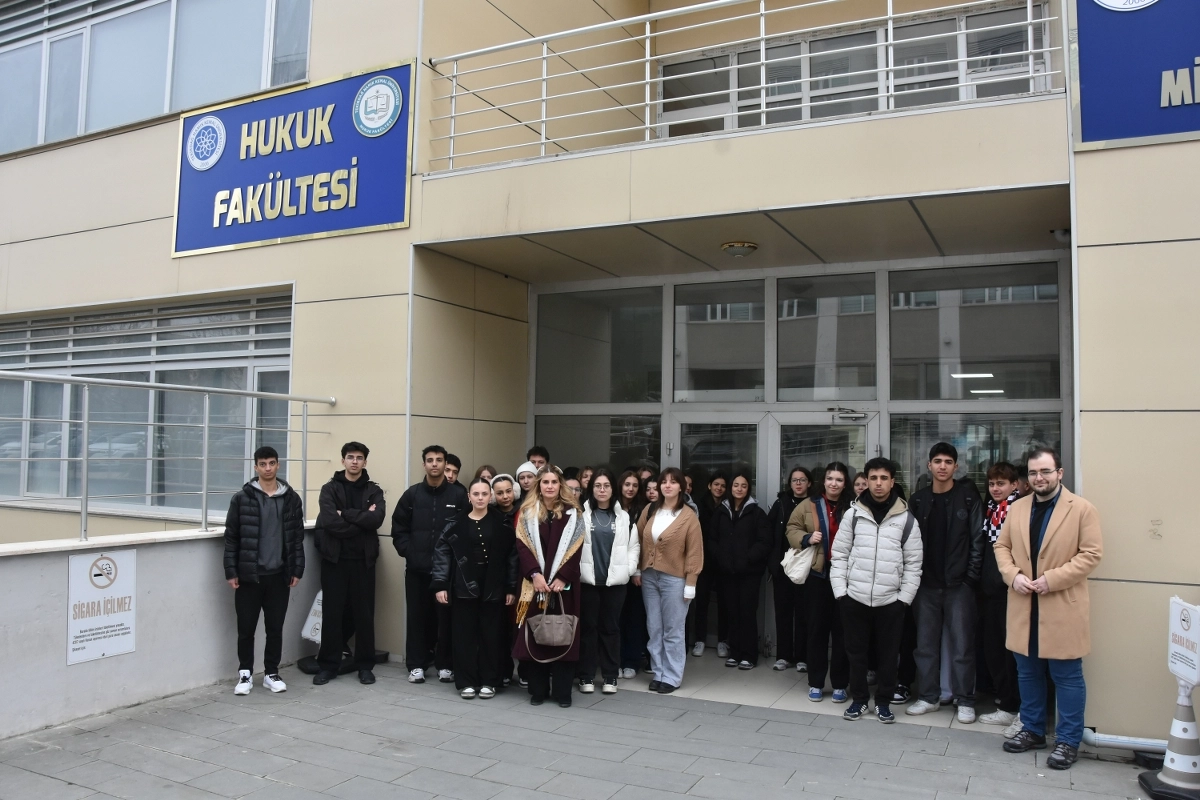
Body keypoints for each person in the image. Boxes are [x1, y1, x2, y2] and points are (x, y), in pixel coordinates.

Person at [996, 447, 1102, 770]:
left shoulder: (1081, 509)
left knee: (1066, 676)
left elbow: (1091, 555)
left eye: (1044, 471)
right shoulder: (1018, 508)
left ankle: (1068, 741)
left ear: (1059, 473)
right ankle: (1033, 730)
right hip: (1024, 604)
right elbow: (1002, 546)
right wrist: (1013, 576)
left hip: (1061, 605)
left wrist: (1052, 580)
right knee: (1027, 672)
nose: (1038, 478)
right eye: (1033, 472)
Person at [831, 457, 922, 724]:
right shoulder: (853, 515)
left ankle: (883, 702)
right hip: (854, 597)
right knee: (856, 654)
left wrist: (903, 599)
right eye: (873, 478)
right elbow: (839, 555)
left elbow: (914, 563)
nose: (878, 483)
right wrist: (841, 592)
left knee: (888, 656)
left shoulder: (906, 519)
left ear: (892, 482)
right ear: (866, 481)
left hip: (891, 601)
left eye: (884, 478)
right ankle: (859, 700)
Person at [905, 443, 984, 722]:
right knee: (925, 645)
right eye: (937, 461)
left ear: (956, 467)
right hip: (925, 585)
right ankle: (928, 697)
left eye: (948, 462)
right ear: (929, 465)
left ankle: (965, 700)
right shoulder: (918, 500)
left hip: (959, 585)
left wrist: (970, 578)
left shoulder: (968, 498)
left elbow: (978, 540)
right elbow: (908, 542)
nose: (942, 466)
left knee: (962, 646)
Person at [223, 446, 305, 696]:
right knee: (246, 629)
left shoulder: (291, 498)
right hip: (249, 576)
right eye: (263, 464)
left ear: (278, 465)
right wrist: (231, 571)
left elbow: (296, 538)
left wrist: (297, 568)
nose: (267, 468)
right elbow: (232, 537)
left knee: (275, 628)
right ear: (256, 467)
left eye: (271, 463)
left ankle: (271, 673)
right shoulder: (242, 498)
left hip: (279, 575)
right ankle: (245, 674)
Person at [433, 478, 519, 699]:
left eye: (484, 494)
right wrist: (441, 584)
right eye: (476, 494)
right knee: (464, 635)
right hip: (463, 584)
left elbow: (512, 558)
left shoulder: (502, 523)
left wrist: (511, 587)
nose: (480, 498)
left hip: (493, 585)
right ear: (469, 497)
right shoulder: (455, 523)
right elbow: (442, 555)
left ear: (491, 496)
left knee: (492, 635)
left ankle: (490, 681)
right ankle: (467, 681)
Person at [392, 445, 468, 684]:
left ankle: (445, 665)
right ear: (423, 464)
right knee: (416, 618)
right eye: (430, 460)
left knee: (446, 620)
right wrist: (410, 553)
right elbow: (399, 528)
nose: (434, 464)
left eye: (439, 460)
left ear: (445, 464)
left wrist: (456, 560)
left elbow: (465, 530)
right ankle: (416, 665)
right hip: (417, 570)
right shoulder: (412, 495)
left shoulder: (458, 496)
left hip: (447, 573)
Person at [313, 442, 386, 686]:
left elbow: (376, 519)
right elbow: (330, 523)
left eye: (359, 458)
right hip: (334, 560)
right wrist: (361, 521)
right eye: (350, 457)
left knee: (364, 616)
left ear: (365, 462)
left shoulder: (374, 490)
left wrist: (345, 513)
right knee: (332, 614)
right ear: (343, 460)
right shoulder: (329, 489)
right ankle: (328, 666)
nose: (355, 461)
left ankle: (365, 666)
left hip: (363, 561)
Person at [513, 465, 583, 707]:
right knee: (537, 635)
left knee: (564, 634)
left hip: (564, 587)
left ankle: (563, 693)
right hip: (536, 586)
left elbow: (577, 548)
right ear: (539, 485)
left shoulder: (574, 514)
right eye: (545, 482)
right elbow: (522, 546)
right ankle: (538, 691)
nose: (550, 486)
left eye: (554, 482)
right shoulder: (527, 513)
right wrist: (535, 574)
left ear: (560, 485)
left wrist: (563, 577)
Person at [787, 462, 853, 703]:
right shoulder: (809, 504)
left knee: (842, 632)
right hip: (818, 576)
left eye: (839, 479)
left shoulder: (853, 506)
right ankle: (815, 682)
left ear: (844, 484)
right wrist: (806, 537)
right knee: (816, 631)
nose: (834, 483)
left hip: (845, 577)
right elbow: (791, 528)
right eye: (830, 479)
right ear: (823, 481)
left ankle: (840, 684)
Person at [637, 468, 704, 693]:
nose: (667, 485)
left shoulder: (688, 517)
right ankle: (658, 672)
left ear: (681, 487)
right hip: (649, 576)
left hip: (675, 579)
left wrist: (691, 582)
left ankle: (672, 676)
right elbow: (637, 539)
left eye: (673, 482)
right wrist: (637, 568)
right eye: (664, 482)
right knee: (654, 627)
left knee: (673, 629)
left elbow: (695, 552)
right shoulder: (650, 510)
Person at [578, 468, 640, 694]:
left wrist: (628, 570)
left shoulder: (623, 517)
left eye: (606, 486)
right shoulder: (581, 515)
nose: (602, 490)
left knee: (611, 629)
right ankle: (586, 676)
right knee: (588, 629)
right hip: (588, 582)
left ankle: (610, 677)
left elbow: (634, 546)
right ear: (591, 488)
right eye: (597, 485)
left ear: (613, 489)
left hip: (615, 584)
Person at [711, 472, 771, 669]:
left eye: (743, 486)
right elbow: (712, 539)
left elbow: (764, 542)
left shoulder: (756, 513)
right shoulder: (721, 511)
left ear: (748, 489)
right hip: (727, 572)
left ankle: (749, 655)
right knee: (731, 612)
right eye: (736, 485)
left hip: (749, 573)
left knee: (747, 613)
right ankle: (735, 653)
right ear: (731, 487)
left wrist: (747, 559)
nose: (739, 489)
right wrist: (721, 558)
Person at [978, 461, 1022, 727]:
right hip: (991, 593)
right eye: (992, 483)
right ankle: (1006, 700)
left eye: (1001, 483)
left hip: (1010, 592)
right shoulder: (993, 510)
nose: (995, 488)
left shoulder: (1018, 511)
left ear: (1014, 485)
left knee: (1009, 653)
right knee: (994, 649)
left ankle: (1013, 706)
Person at [769, 467, 810, 672]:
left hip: (806, 567)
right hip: (783, 568)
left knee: (803, 613)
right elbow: (770, 533)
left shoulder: (814, 504)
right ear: (790, 483)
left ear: (809, 483)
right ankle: (783, 656)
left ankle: (802, 657)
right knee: (783, 613)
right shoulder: (781, 504)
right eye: (795, 480)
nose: (798, 484)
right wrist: (772, 563)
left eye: (802, 480)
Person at [689, 472, 728, 658]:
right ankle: (700, 639)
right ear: (709, 486)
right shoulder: (699, 505)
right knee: (702, 602)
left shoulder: (728, 506)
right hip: (702, 560)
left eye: (722, 485)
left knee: (724, 603)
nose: (719, 488)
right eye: (716, 484)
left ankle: (723, 641)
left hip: (722, 561)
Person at [618, 469, 648, 679]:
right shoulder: (612, 507)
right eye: (627, 484)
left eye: (635, 485)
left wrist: (637, 569)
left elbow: (643, 543)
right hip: (614, 572)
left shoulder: (644, 509)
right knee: (616, 619)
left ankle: (631, 661)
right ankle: (616, 661)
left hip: (636, 573)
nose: (630, 489)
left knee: (634, 618)